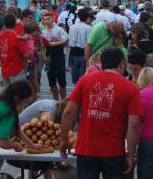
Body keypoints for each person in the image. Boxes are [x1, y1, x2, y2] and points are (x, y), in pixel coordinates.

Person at [59, 47, 142, 178]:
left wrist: (63, 139)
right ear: (122, 63)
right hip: (114, 151)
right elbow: (134, 124)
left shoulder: (84, 81)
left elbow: (68, 112)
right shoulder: (131, 88)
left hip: (86, 149)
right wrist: (130, 155)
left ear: (102, 63)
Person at [0, 13, 30, 87]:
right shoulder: (16, 37)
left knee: (7, 95)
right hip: (16, 70)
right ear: (15, 23)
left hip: (5, 69)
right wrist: (25, 65)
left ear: (4, 24)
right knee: (19, 94)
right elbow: (26, 54)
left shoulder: (0, 36)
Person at [42, 12, 68, 101]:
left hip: (59, 57)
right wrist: (44, 57)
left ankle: (63, 100)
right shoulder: (43, 32)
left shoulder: (59, 29)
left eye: (48, 19)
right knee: (51, 82)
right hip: (49, 57)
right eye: (44, 19)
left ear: (53, 19)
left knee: (62, 81)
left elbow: (66, 40)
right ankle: (56, 100)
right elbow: (42, 46)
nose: (46, 21)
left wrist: (57, 40)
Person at [68, 8, 92, 84]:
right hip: (83, 54)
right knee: (83, 78)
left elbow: (70, 41)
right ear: (87, 17)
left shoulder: (72, 27)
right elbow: (89, 43)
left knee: (75, 79)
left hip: (73, 53)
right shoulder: (89, 28)